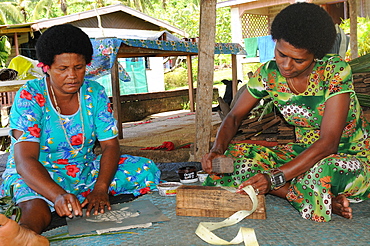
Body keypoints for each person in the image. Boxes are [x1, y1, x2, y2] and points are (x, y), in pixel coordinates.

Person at [202, 3, 369, 223]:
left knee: (323, 171)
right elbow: (233, 116)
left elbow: (329, 143)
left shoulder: (334, 70)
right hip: (300, 155)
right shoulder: (269, 74)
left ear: (315, 55)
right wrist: (217, 149)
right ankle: (308, 197)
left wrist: (274, 177)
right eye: (281, 54)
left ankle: (294, 188)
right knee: (233, 156)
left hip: (347, 158)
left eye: (298, 60)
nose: (286, 65)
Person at [0, 24, 161, 245]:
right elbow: (24, 160)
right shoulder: (30, 96)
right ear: (46, 67)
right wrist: (56, 195)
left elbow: (110, 146)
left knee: (145, 169)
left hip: (83, 170)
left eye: (79, 67)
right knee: (35, 203)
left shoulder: (95, 93)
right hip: (37, 173)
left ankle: (77, 197)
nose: (72, 76)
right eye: (62, 68)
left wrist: (101, 188)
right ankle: (25, 234)